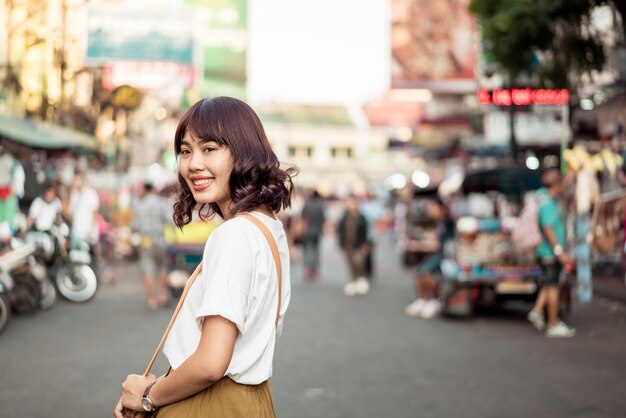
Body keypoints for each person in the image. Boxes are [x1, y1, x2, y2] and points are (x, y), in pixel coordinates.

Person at [115, 96, 296, 418]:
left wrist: (147, 397)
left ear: (244, 152)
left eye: (209, 149)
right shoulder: (268, 227)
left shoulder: (235, 235)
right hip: (252, 401)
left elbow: (211, 363)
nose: (193, 164)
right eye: (185, 151)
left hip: (211, 403)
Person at [527, 169, 576, 338]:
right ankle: (552, 323)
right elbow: (548, 229)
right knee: (553, 286)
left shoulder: (549, 199)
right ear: (555, 185)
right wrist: (559, 251)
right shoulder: (547, 203)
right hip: (549, 252)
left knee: (548, 285)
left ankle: (537, 310)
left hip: (549, 252)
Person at [405, 197, 454, 319]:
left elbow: (447, 243)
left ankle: (433, 300)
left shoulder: (447, 221)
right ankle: (422, 300)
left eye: (431, 207)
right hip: (439, 253)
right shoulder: (440, 222)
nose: (428, 210)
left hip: (445, 255)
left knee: (426, 272)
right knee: (420, 272)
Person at [131, 182, 172, 310]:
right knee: (163, 267)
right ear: (154, 189)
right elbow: (170, 220)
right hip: (160, 239)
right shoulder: (162, 202)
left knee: (147, 269)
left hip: (145, 240)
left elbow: (135, 226)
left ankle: (152, 300)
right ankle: (163, 295)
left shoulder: (138, 204)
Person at [337, 195, 370, 296]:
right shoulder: (345, 216)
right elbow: (340, 229)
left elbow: (365, 232)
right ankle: (354, 280)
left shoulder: (361, 217)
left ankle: (360, 280)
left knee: (358, 262)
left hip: (358, 245)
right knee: (351, 263)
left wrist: (365, 244)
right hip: (347, 245)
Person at [0, 141, 25, 232]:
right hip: (6, 194)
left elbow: (18, 188)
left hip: (9, 196)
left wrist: (10, 192)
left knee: (7, 227)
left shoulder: (15, 164)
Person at [301, 189, 325, 281]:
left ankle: (307, 269)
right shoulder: (320, 205)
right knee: (316, 251)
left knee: (306, 251)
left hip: (307, 231)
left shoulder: (307, 205)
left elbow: (303, 218)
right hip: (317, 231)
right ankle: (315, 271)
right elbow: (323, 219)